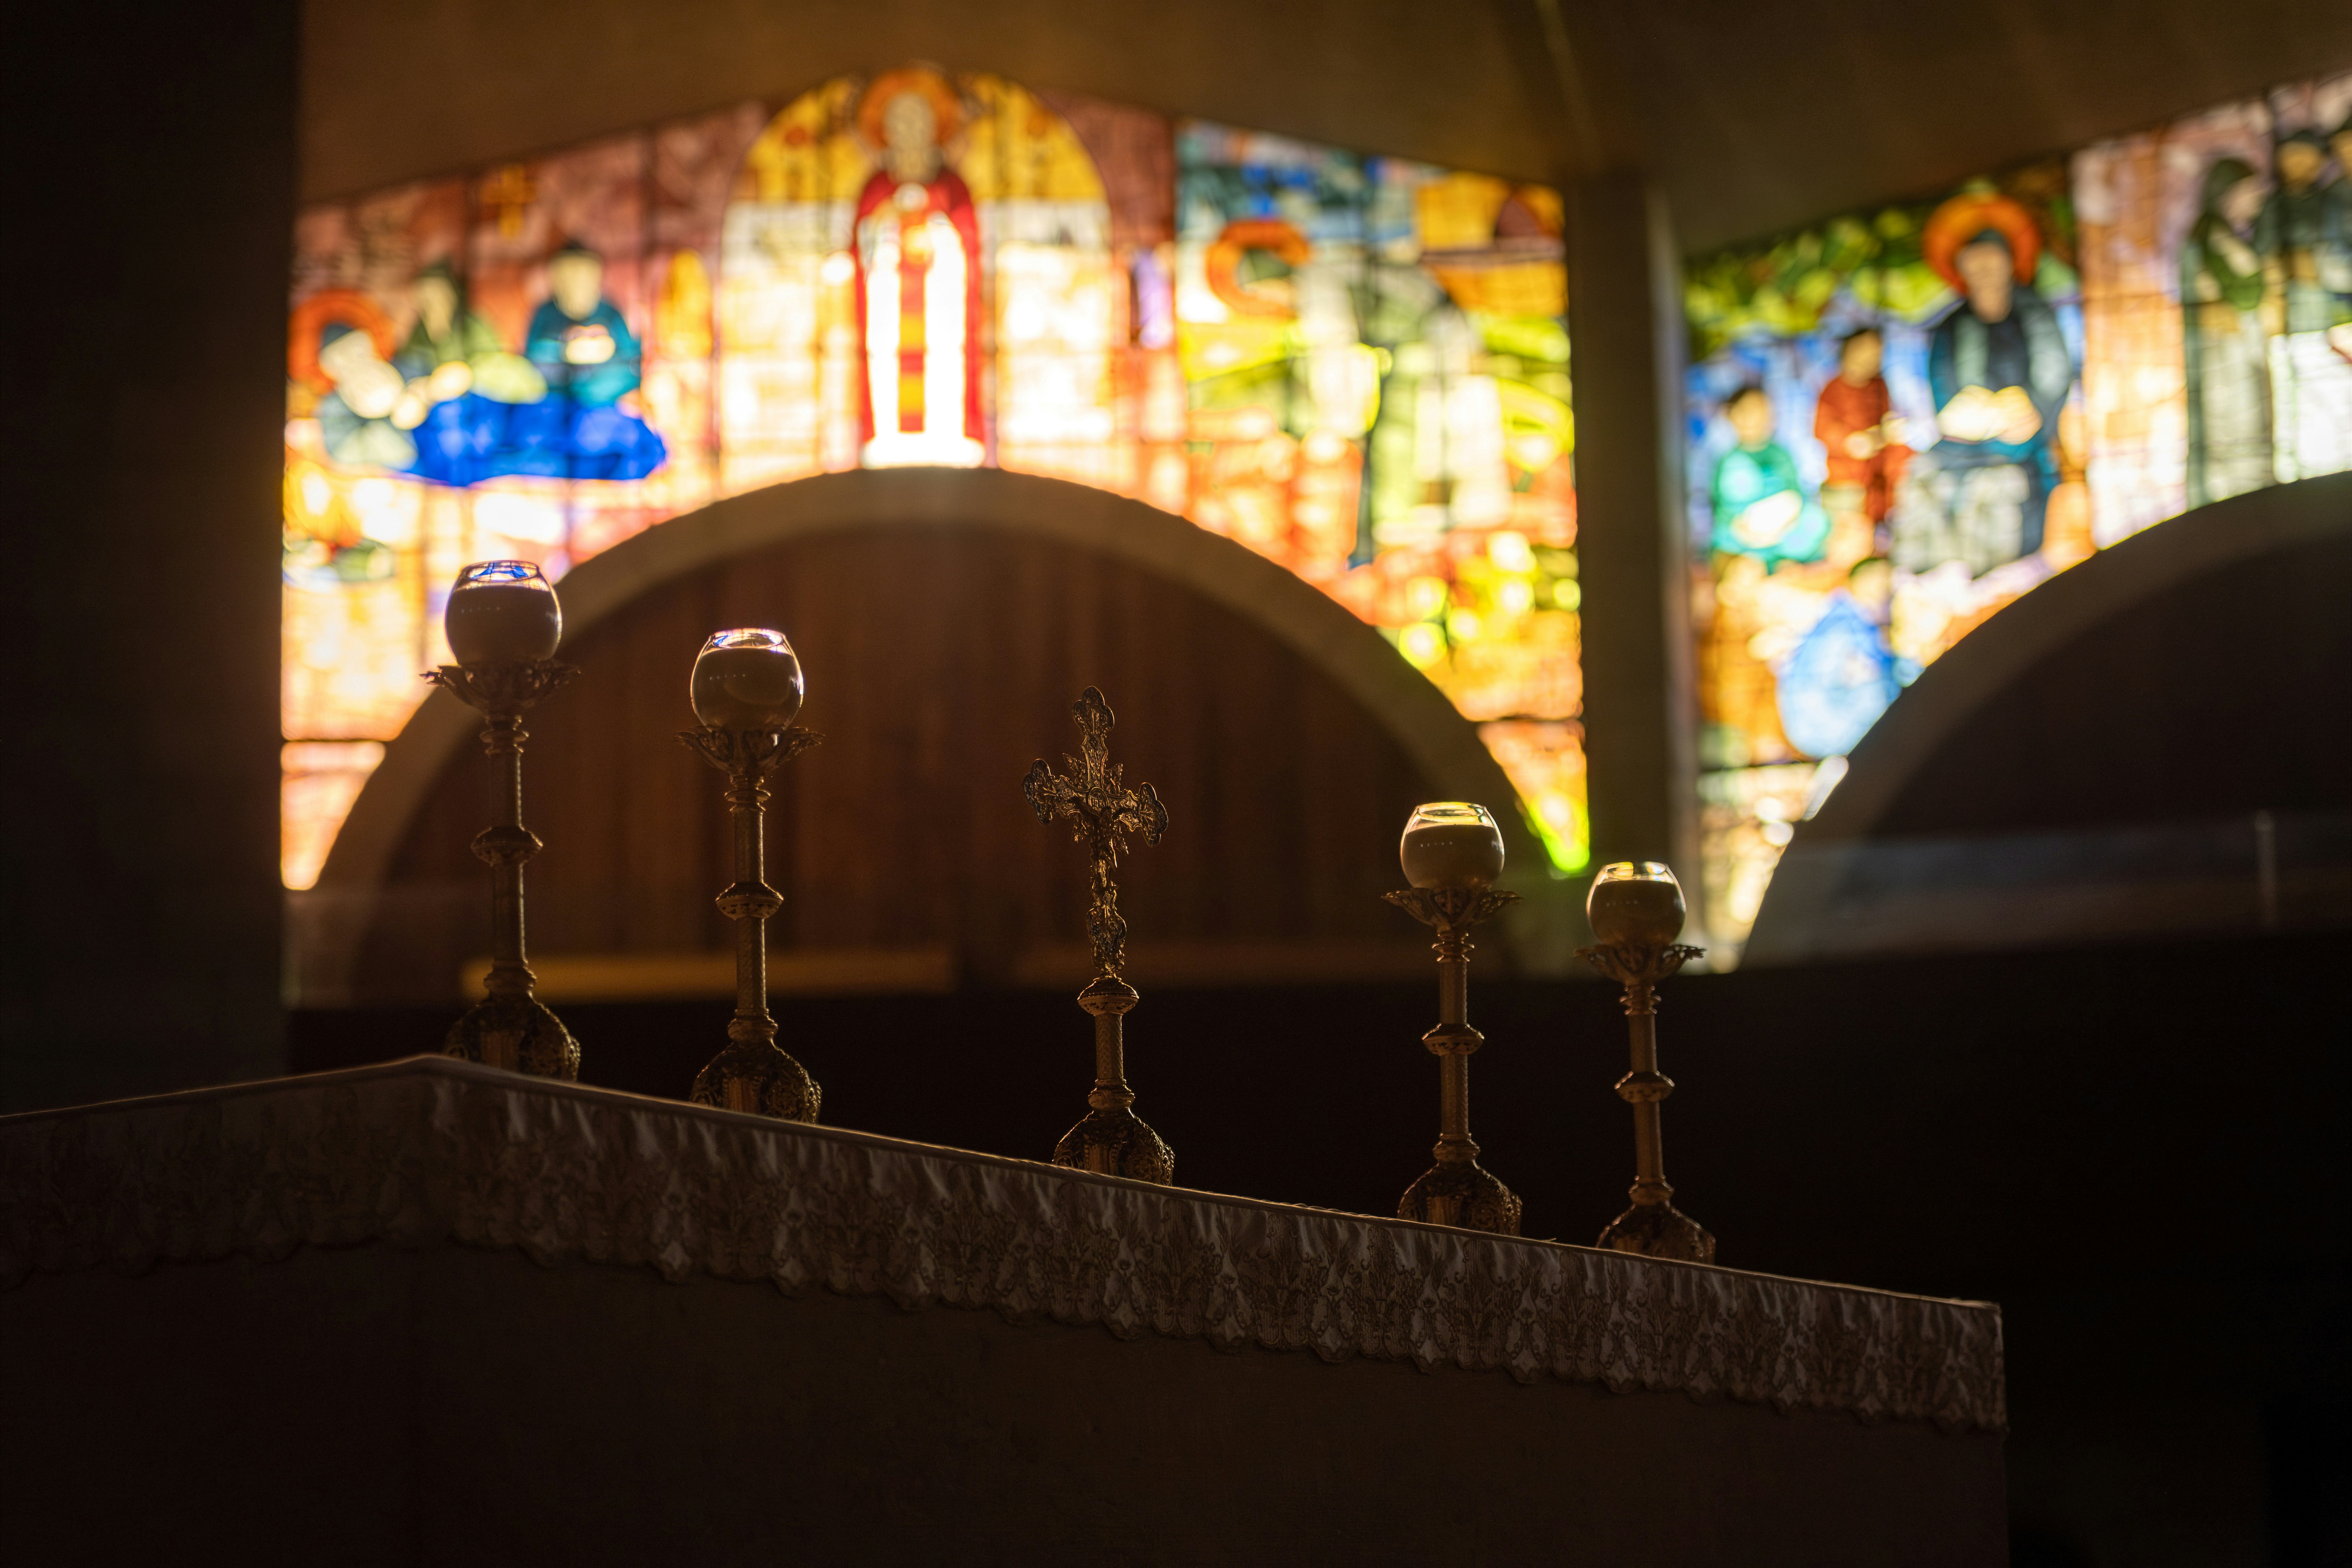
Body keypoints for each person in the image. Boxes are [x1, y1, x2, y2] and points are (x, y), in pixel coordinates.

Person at [1892, 193, 2072, 576]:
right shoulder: (1950, 326)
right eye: (1974, 262)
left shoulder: (2036, 312)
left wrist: (2031, 416)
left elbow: (2055, 374)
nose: (1985, 270)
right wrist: (1968, 418)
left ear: (2010, 263)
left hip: (2024, 449)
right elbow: (1944, 391)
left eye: (1993, 259)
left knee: (2011, 501)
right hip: (1963, 446)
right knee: (1926, 481)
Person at [851, 68, 985, 466]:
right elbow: (860, 246)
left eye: (918, 119)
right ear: (884, 129)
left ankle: (947, 432)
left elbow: (970, 246)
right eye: (900, 120)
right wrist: (886, 227)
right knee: (888, 368)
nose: (910, 129)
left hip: (941, 303)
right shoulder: (876, 188)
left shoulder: (953, 187)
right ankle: (887, 436)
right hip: (889, 304)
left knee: (943, 368)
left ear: (937, 127)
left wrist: (937, 232)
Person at [510, 239, 668, 482]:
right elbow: (530, 363)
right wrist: (564, 350)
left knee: (600, 437)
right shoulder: (546, 314)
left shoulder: (611, 315)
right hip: (551, 412)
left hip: (601, 412)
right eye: (567, 278)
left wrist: (602, 358)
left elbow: (631, 369)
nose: (576, 286)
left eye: (583, 277)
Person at [395, 261, 549, 487]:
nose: (434, 304)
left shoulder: (473, 327)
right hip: (436, 433)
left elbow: (517, 378)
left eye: (439, 294)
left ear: (453, 294)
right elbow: (409, 372)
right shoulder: (418, 336)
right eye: (426, 297)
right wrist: (420, 391)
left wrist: (467, 374)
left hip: (480, 421)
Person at [2258, 128, 2352, 481]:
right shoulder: (2276, 205)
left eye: (2310, 158)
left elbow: (2334, 253)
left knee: (2339, 397)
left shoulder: (2329, 201)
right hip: (2294, 316)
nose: (2302, 166)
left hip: (2333, 313)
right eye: (2294, 157)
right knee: (2300, 401)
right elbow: (2269, 258)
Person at [2180, 157, 2274, 506]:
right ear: (2228, 193)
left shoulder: (2220, 236)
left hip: (2233, 358)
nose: (2258, 200)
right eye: (2252, 191)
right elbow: (2249, 293)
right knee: (2236, 444)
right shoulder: (2211, 238)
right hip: (2224, 362)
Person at [1811, 326, 1910, 559]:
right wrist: (1850, 442)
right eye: (1864, 351)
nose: (1869, 359)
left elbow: (1887, 420)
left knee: (1882, 540)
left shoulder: (1879, 385)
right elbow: (1824, 429)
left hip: (1878, 480)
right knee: (1849, 543)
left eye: (1877, 353)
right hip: (1847, 482)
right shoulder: (1832, 388)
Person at [1709, 384, 1829, 570]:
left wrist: (1787, 519)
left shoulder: (1781, 454)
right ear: (1732, 416)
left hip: (1786, 535)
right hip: (1742, 541)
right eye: (1747, 411)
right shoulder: (1728, 461)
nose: (1755, 418)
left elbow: (1796, 495)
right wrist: (1744, 529)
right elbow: (1723, 512)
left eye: (1761, 411)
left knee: (1817, 521)